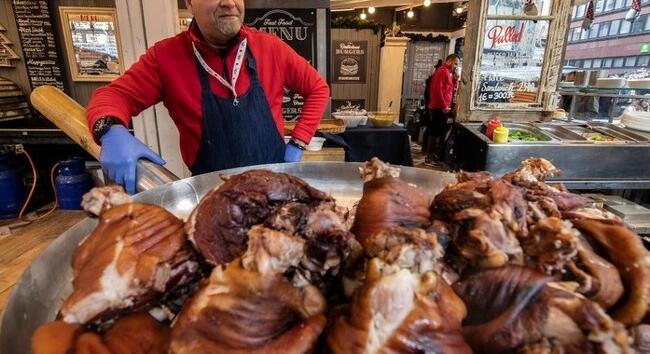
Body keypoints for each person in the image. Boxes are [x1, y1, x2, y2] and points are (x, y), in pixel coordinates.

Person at [86, 0, 329, 193]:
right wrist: (110, 130)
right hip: (210, 197)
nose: (229, 3)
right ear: (189, 3)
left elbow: (318, 88)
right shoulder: (166, 57)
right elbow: (114, 95)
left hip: (276, 189)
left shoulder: (270, 48)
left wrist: (297, 144)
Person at [426, 53, 460, 161]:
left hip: (442, 107)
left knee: (440, 132)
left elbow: (450, 89)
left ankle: (435, 156)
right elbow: (437, 90)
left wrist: (455, 79)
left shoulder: (449, 73)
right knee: (435, 132)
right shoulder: (442, 71)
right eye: (455, 64)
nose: (456, 66)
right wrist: (444, 105)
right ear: (449, 61)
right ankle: (430, 158)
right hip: (438, 107)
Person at [422, 59, 444, 152]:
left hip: (429, 105)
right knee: (432, 129)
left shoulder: (431, 79)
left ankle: (425, 148)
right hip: (433, 106)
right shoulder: (434, 79)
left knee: (429, 127)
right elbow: (434, 94)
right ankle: (428, 151)